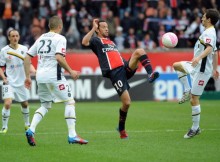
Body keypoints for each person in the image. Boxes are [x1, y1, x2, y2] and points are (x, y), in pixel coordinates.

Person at [82, 19, 159, 139]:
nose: (107, 29)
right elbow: (84, 42)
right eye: (103, 27)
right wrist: (93, 28)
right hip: (115, 73)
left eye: (107, 27)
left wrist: (128, 63)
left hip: (124, 67)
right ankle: (121, 128)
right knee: (127, 103)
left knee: (139, 51)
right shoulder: (96, 41)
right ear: (98, 29)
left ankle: (150, 74)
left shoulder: (111, 42)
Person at [24, 16, 88, 146]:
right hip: (54, 76)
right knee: (70, 102)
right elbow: (59, 57)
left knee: (45, 105)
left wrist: (27, 77)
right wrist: (71, 71)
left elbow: (27, 57)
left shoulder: (41, 38)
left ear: (49, 26)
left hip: (40, 76)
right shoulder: (60, 38)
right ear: (60, 26)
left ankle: (31, 130)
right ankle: (72, 135)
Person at [173, 9, 220, 139]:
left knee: (194, 99)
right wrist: (216, 69)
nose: (202, 18)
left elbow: (210, 48)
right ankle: (187, 89)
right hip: (196, 67)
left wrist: (199, 58)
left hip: (202, 70)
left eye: (204, 17)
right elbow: (215, 51)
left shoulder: (210, 32)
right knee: (176, 66)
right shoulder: (209, 32)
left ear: (209, 19)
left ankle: (195, 128)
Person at [0, 29, 35, 133]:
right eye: (13, 36)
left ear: (19, 37)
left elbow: (29, 63)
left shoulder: (24, 49)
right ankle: (4, 127)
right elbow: (0, 67)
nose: (15, 38)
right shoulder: (4, 51)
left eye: (16, 36)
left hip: (22, 82)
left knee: (24, 104)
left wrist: (35, 71)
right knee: (7, 103)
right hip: (9, 81)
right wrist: (4, 78)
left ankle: (27, 124)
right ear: (9, 38)